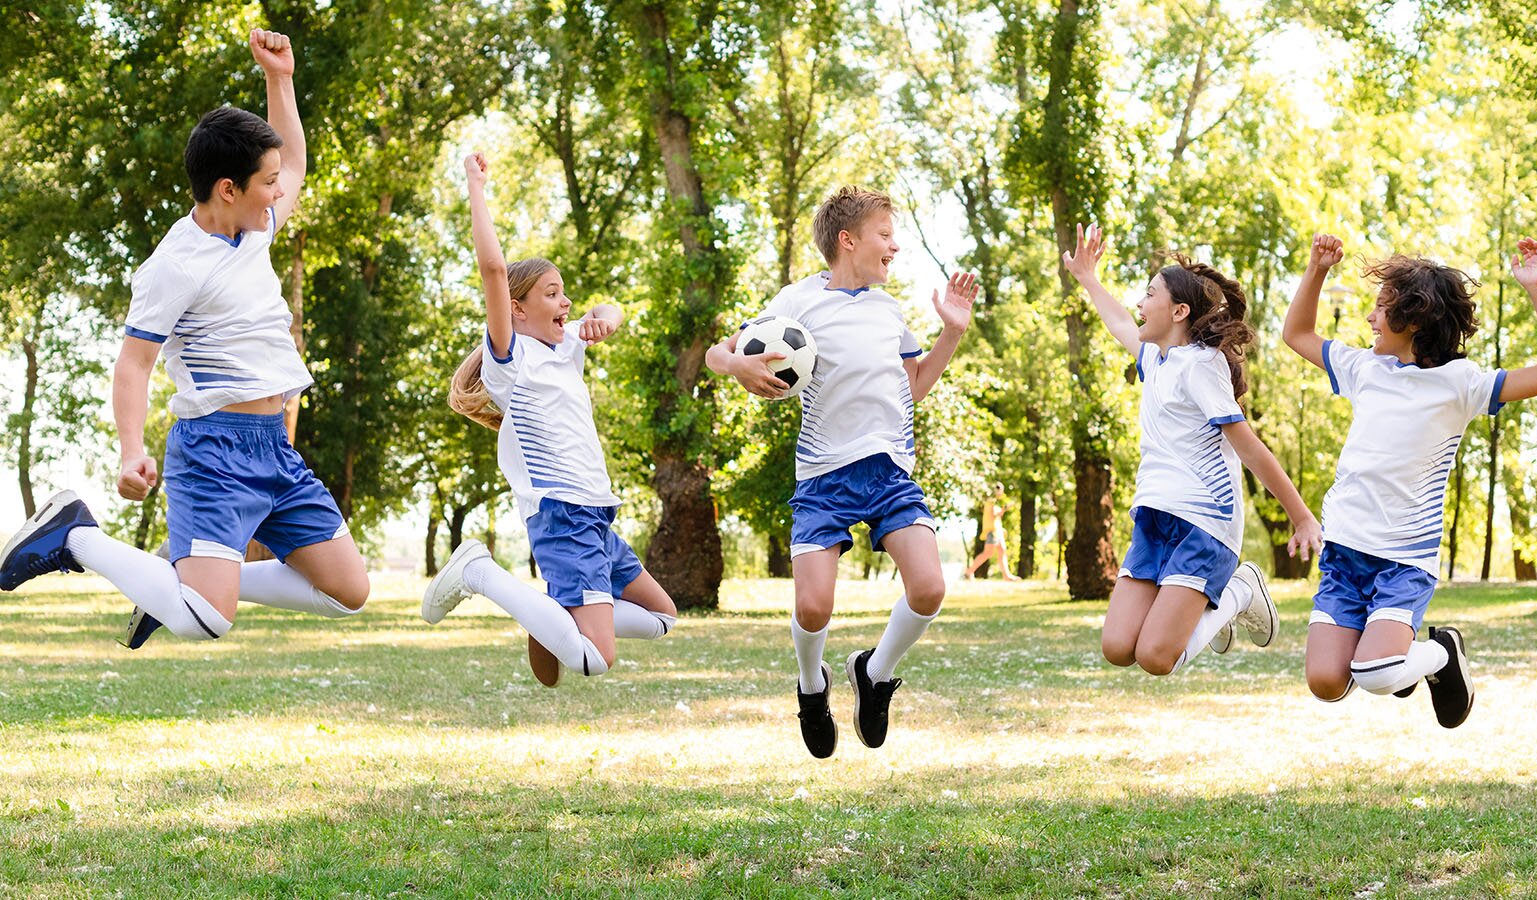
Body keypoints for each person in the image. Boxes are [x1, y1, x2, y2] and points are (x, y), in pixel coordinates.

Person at [1, 30, 370, 646]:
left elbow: (296, 163)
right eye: (267, 182)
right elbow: (134, 364)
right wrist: (128, 452)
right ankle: (74, 536)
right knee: (207, 623)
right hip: (215, 451)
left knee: (349, 594)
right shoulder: (175, 265)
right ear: (229, 188)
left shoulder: (253, 228)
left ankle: (176, 581)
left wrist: (281, 79)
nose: (281, 191)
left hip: (272, 445)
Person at [706, 185, 978, 758]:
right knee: (813, 608)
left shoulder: (888, 309)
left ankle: (874, 674)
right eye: (885, 235)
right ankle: (811, 685)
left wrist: (950, 331)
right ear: (848, 240)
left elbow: (915, 387)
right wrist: (738, 366)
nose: (895, 247)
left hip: (889, 474)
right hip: (824, 479)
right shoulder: (798, 301)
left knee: (929, 588)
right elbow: (717, 352)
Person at [1283, 233, 1537, 727]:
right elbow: (1298, 335)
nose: (1371, 318)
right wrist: (1316, 272)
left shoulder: (1461, 385)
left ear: (1413, 320)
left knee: (1375, 674)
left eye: (1381, 308)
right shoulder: (1363, 368)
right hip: (1344, 553)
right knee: (1327, 682)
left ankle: (1440, 652)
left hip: (1403, 560)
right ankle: (1396, 659)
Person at [421, 152, 676, 687]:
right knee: (594, 657)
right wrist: (476, 187)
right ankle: (479, 574)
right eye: (551, 293)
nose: (565, 303)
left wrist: (603, 321)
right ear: (516, 309)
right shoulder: (510, 358)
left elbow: (612, 309)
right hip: (562, 514)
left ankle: (551, 614)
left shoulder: (564, 347)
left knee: (661, 616)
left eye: (564, 293)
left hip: (596, 516)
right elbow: (492, 269)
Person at [1062, 224, 1321, 678]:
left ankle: (1240, 591)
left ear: (1179, 311)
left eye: (1149, 295)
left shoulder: (1201, 365)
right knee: (1118, 647)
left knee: (1156, 658)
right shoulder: (1155, 359)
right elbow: (1120, 322)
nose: (1139, 305)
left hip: (1204, 523)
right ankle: (1205, 609)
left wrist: (1300, 515)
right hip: (1154, 518)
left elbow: (1249, 446)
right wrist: (1087, 276)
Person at [962, 487, 1020, 581]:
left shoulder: (994, 502)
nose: (1002, 493)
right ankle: (969, 572)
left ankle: (1007, 576)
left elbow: (997, 515)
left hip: (997, 531)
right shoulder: (991, 501)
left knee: (1001, 551)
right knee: (988, 553)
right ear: (997, 490)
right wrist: (1005, 508)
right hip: (992, 531)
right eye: (1001, 490)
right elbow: (994, 515)